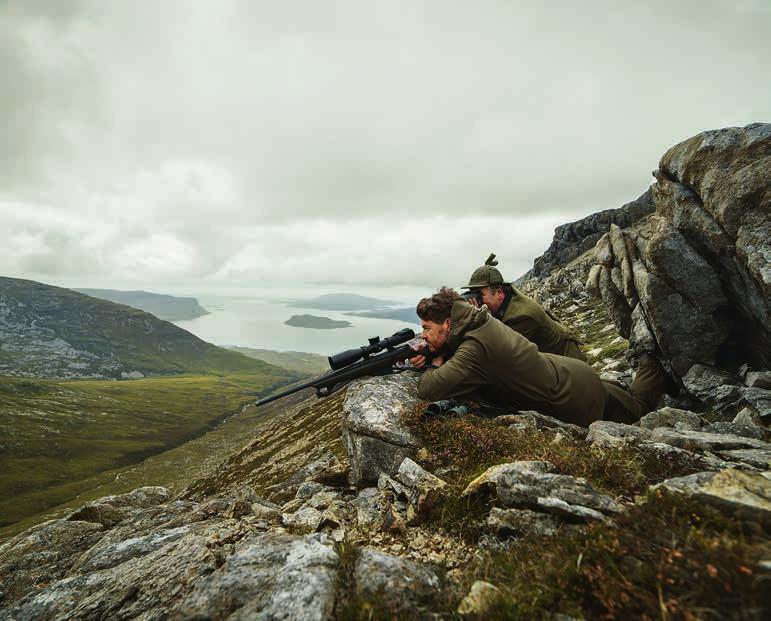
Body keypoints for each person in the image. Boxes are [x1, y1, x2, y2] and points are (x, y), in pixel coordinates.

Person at [409, 287, 658, 426]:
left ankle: (658, 369)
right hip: (571, 375)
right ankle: (652, 367)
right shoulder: (480, 322)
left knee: (639, 409)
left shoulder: (476, 347)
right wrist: (438, 347)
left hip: (575, 400)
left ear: (448, 323)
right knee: (626, 396)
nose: (424, 335)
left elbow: (429, 389)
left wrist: (434, 363)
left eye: (427, 329)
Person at [463, 253, 585, 361]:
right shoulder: (507, 295)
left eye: (480, 295)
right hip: (548, 359)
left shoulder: (522, 316)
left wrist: (478, 321)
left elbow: (502, 354)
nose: (477, 301)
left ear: (499, 293)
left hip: (568, 363)